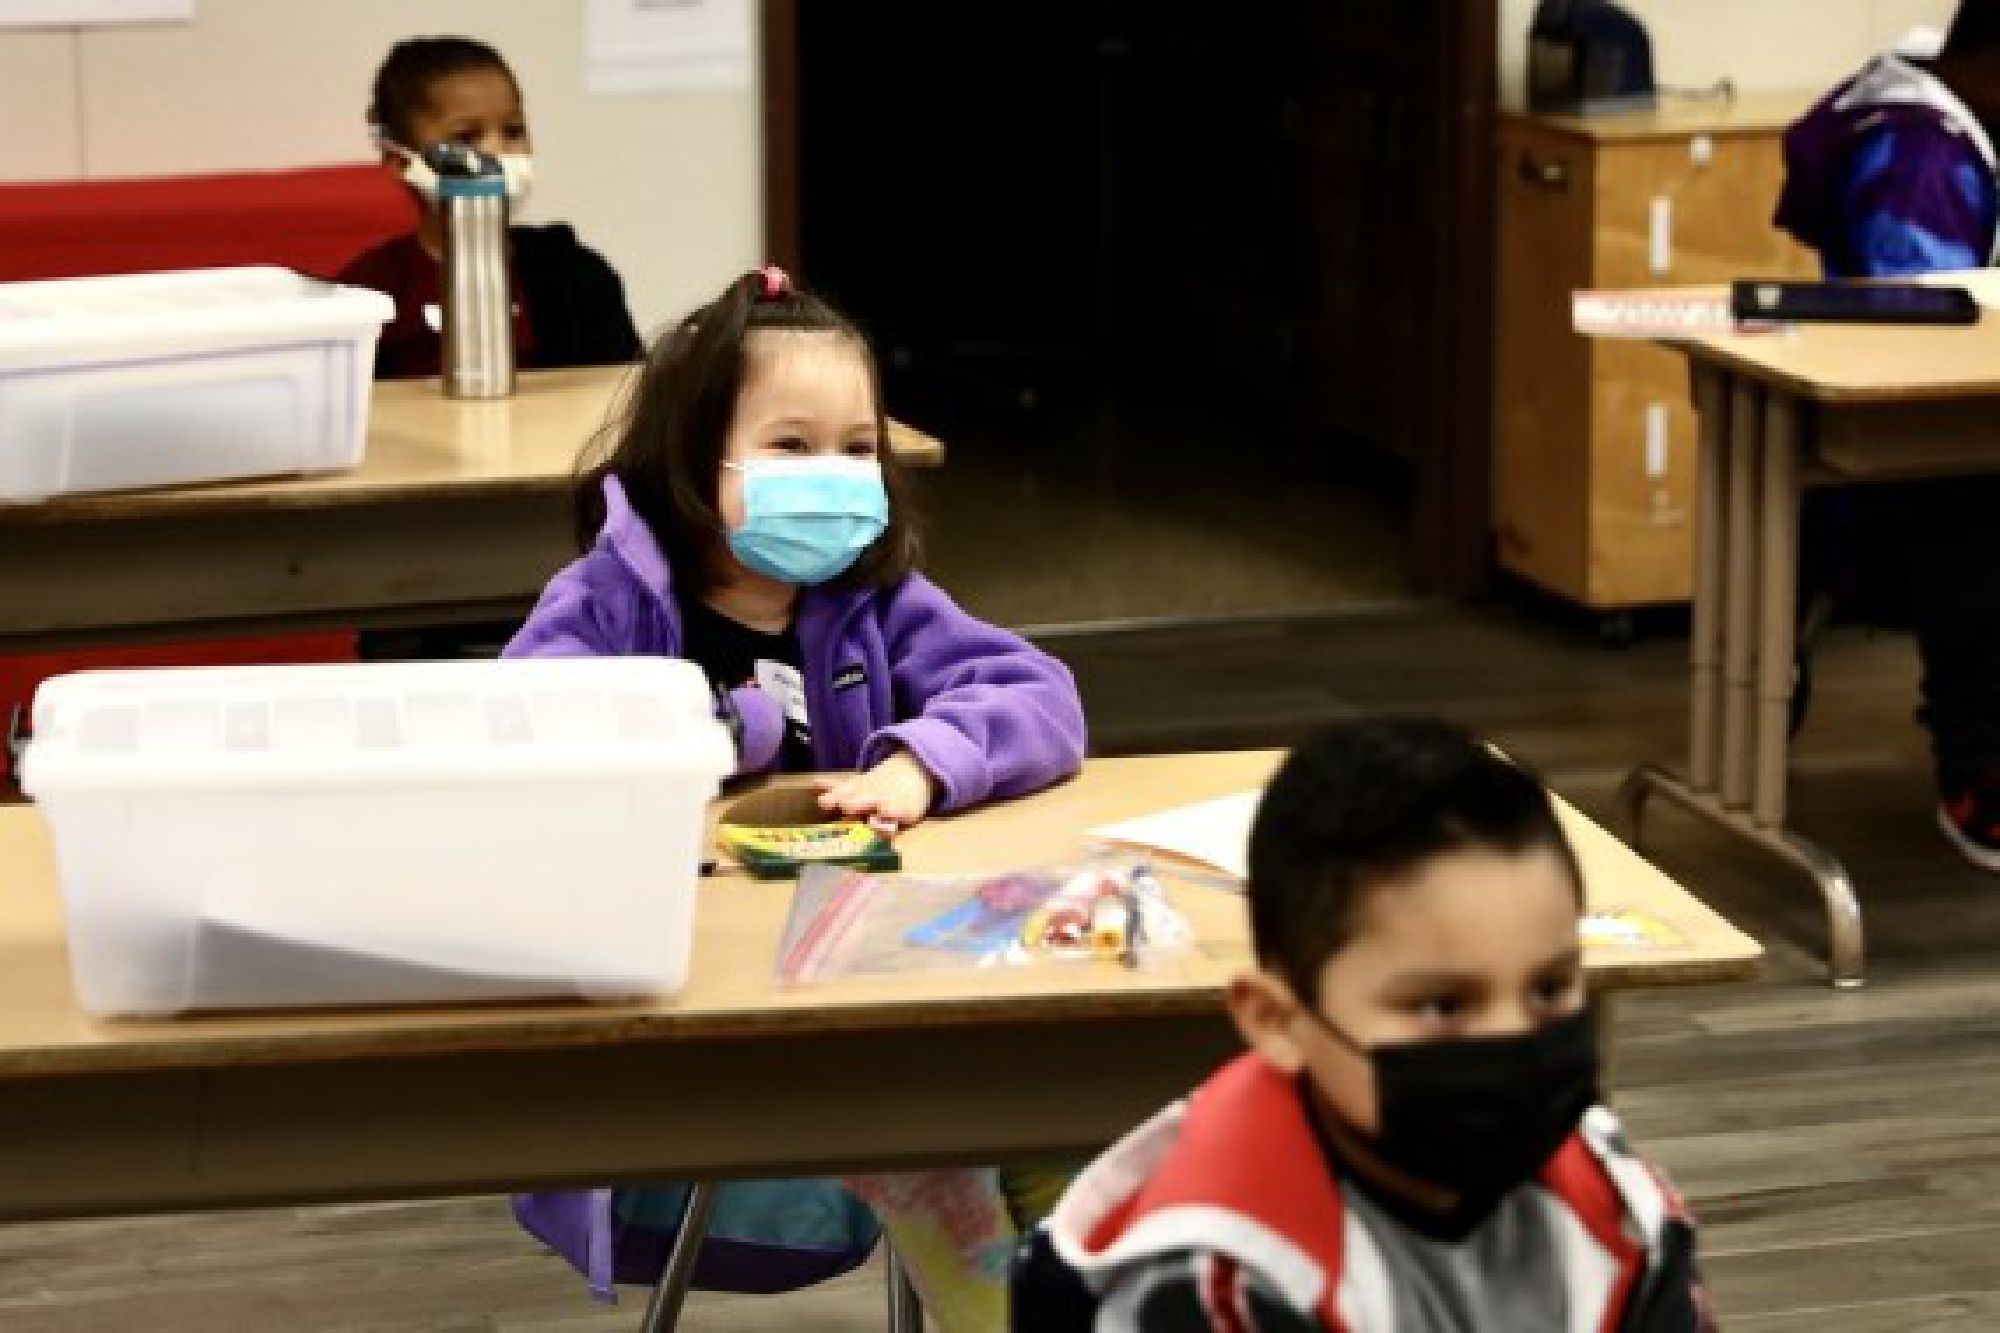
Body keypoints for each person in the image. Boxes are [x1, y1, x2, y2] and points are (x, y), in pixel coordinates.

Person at [506, 265, 1088, 1331]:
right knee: (957, 1117)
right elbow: (527, 729)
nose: (833, 475)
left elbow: (1037, 695)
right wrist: (729, 729)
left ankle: (1057, 1278)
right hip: (691, 1035)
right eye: (791, 445)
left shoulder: (874, 601)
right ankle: (992, 1267)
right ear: (695, 457)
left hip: (865, 1001)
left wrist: (920, 762)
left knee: (1054, 1087)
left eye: (858, 447)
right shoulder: (605, 604)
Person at [1011, 718, 1712, 1331]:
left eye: (1549, 989)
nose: (1512, 1038)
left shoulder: (1616, 1196)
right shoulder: (1210, 1280)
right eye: (1442, 1006)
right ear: (1278, 1020)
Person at [1774, 0, 2000, 871]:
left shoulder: (1952, 110)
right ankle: (1978, 772)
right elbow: (1930, 343)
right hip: (1899, 466)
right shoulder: (1919, 161)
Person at [339, 36, 641, 379]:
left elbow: (626, 393)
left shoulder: (575, 273)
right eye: (466, 137)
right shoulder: (369, 292)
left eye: (513, 131)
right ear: (402, 162)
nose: (499, 152)